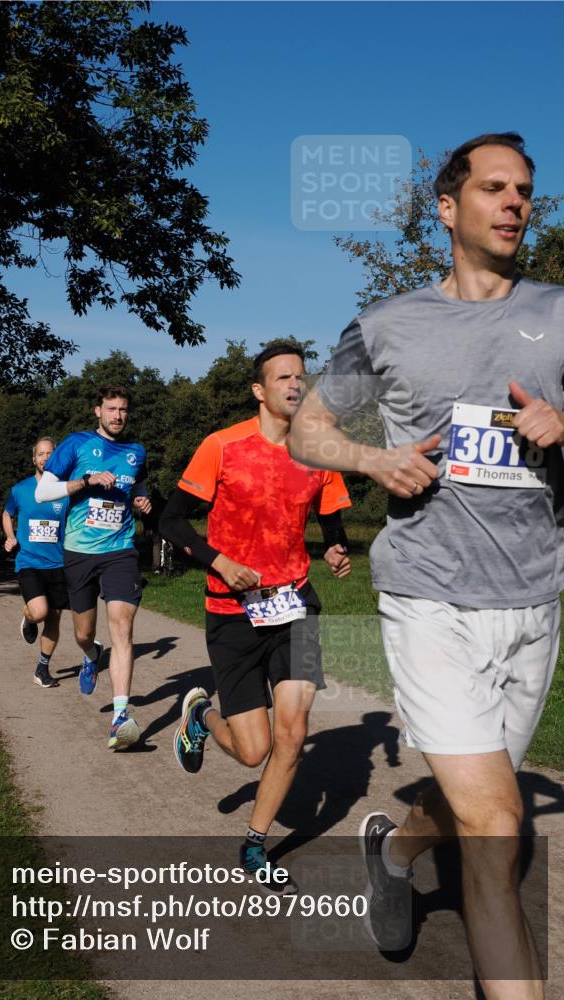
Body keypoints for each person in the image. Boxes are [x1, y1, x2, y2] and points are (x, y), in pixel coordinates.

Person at [289, 133, 564, 998]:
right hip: (428, 594)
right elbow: (308, 429)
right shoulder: (388, 325)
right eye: (494, 188)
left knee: (472, 800)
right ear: (448, 209)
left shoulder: (562, 313)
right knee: (495, 824)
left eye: (525, 189)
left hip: (531, 598)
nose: (516, 202)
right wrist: (374, 461)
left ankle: (396, 853)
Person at [160, 343, 352, 893]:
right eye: (284, 377)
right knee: (254, 752)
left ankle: (254, 843)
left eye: (302, 376)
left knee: (293, 732)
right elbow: (171, 522)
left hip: (294, 604)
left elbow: (331, 510)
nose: (296, 384)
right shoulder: (222, 446)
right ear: (259, 390)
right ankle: (201, 719)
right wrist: (219, 560)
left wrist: (336, 546)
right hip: (232, 611)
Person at [35, 386, 152, 749]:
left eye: (123, 410)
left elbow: (139, 486)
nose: (118, 415)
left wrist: (143, 501)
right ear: (97, 411)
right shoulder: (77, 444)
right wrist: (86, 481)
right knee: (84, 633)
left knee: (123, 627)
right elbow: (43, 494)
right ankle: (90, 655)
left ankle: (120, 717)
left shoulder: (137, 452)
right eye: (111, 409)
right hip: (79, 551)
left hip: (120, 550)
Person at [3, 436, 70, 689]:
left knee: (54, 618)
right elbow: (7, 514)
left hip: (58, 564)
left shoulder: (65, 490)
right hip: (29, 562)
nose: (45, 458)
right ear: (34, 459)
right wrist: (10, 537)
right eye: (41, 454)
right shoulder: (21, 489)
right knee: (40, 612)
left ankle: (42, 669)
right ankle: (29, 618)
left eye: (50, 453)